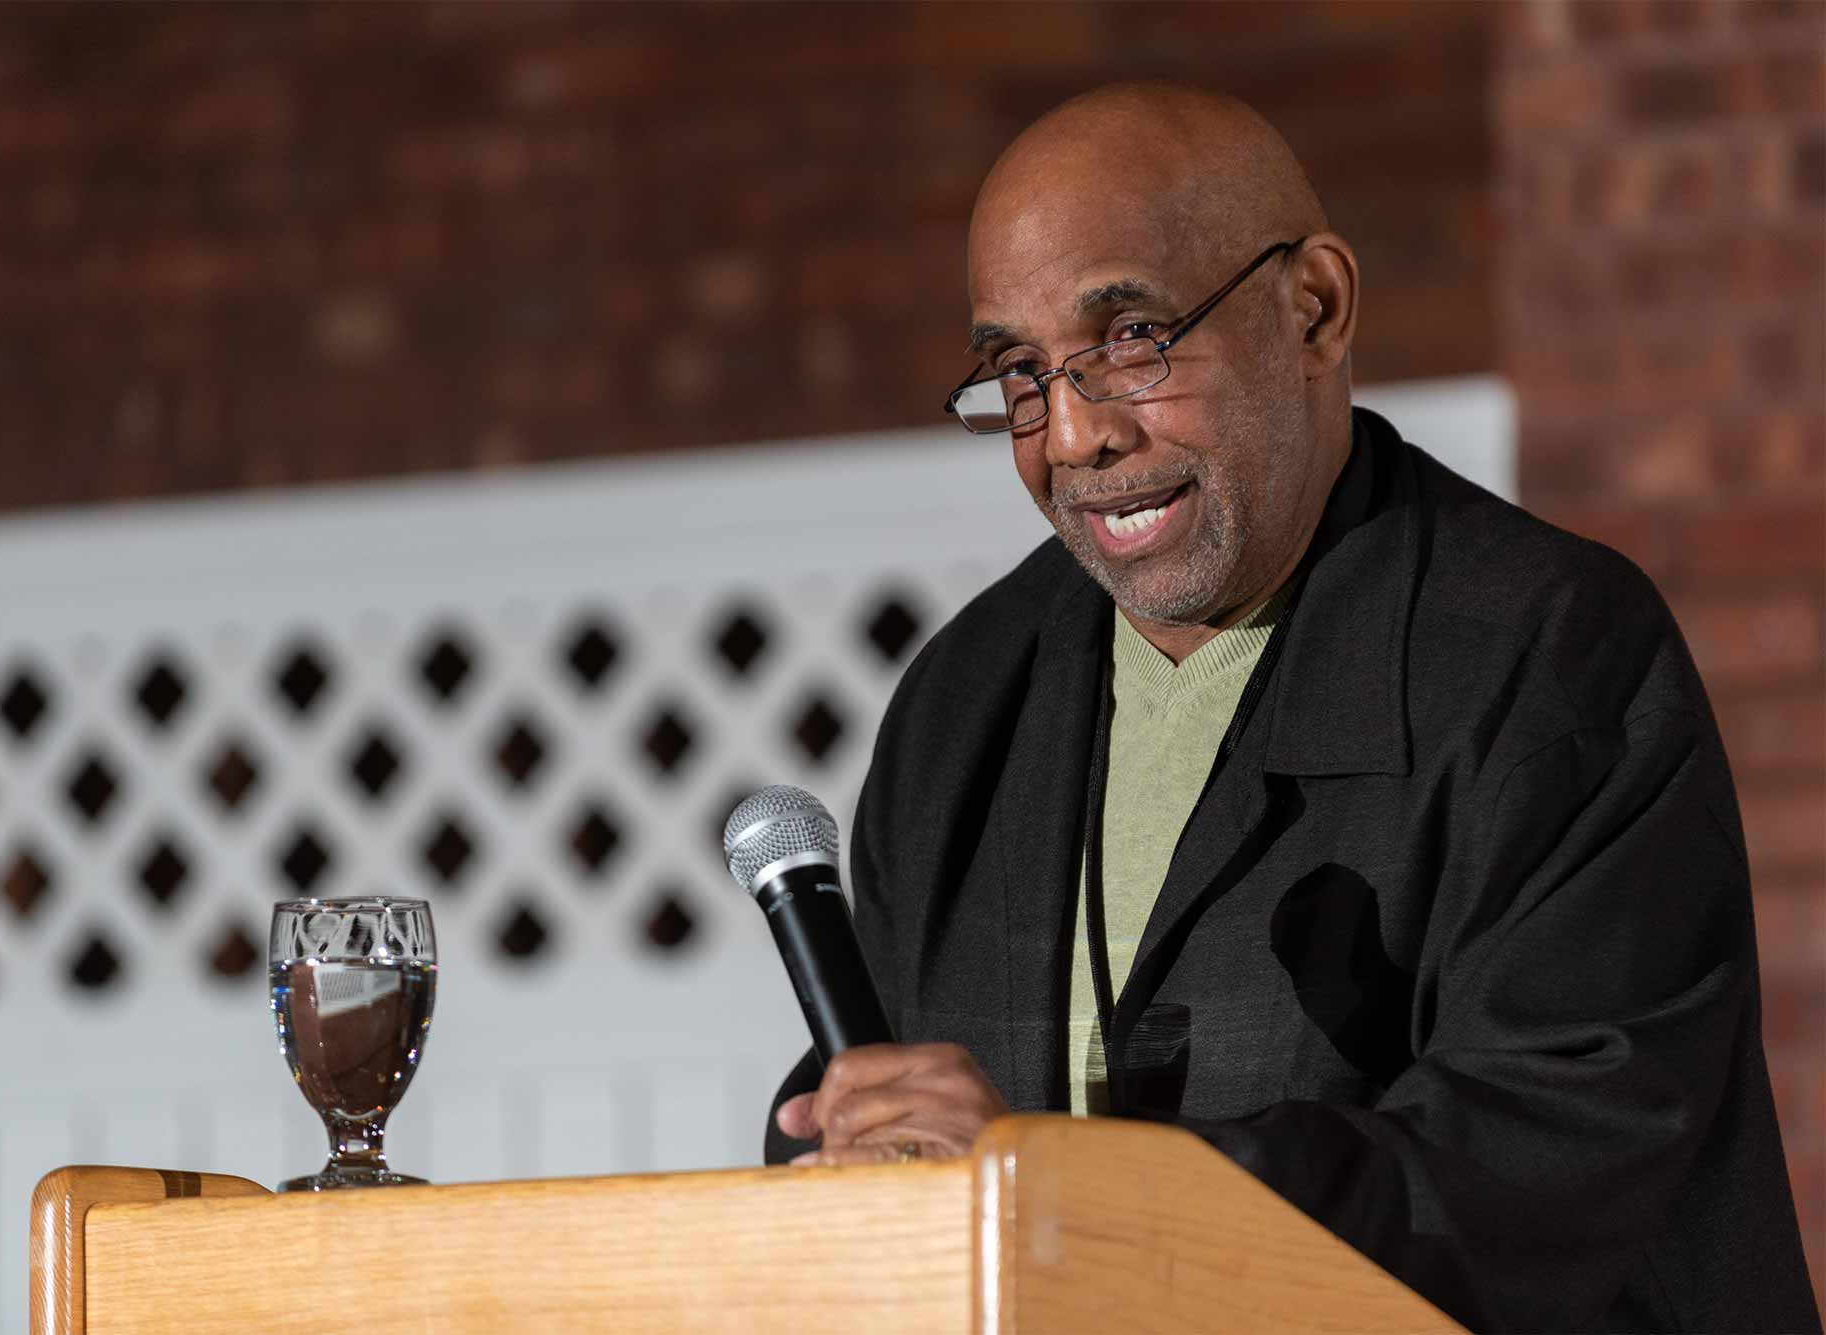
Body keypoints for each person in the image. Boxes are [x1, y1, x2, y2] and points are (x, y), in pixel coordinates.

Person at [762, 83, 1820, 1334]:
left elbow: (1534, 1165)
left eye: (1131, 339)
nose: (1074, 435)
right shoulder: (966, 699)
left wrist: (1066, 1195)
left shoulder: (1544, 652)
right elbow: (888, 1130)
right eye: (1019, 373)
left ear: (1314, 308)